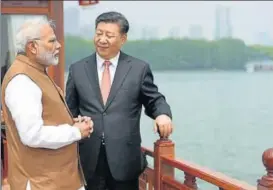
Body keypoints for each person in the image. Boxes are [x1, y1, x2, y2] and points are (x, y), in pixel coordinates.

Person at [65, 11, 173, 190]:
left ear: (123, 39)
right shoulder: (77, 69)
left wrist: (162, 114)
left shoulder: (138, 69)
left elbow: (154, 99)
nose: (102, 39)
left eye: (109, 35)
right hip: (88, 160)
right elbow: (68, 111)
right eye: (99, 33)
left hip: (125, 161)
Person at [1, 18, 93, 190]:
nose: (58, 45)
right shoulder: (22, 80)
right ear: (33, 47)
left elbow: (44, 120)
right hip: (42, 183)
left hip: (56, 181)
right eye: (51, 41)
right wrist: (75, 132)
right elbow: (32, 135)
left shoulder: (36, 72)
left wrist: (72, 123)